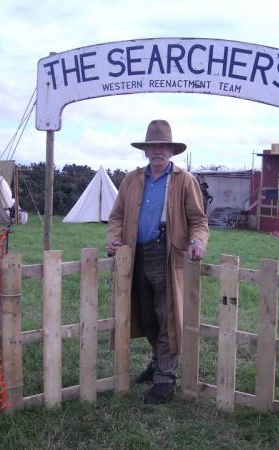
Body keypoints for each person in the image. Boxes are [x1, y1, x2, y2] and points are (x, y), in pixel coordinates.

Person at [106, 119, 209, 404]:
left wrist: (197, 242)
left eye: (162, 146)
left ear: (171, 150)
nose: (157, 151)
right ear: (146, 150)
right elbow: (116, 217)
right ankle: (158, 362)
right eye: (152, 146)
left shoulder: (184, 180)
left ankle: (165, 378)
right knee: (146, 316)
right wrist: (114, 238)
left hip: (167, 255)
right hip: (135, 254)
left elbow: (199, 221)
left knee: (166, 317)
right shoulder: (132, 179)